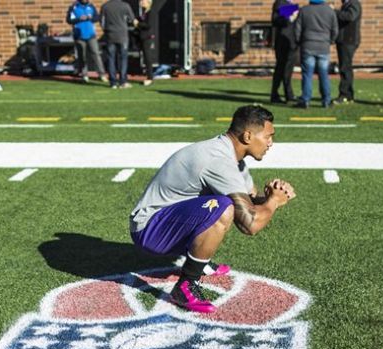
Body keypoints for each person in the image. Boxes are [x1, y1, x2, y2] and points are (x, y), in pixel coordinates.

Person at [128, 105, 297, 313]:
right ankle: (186, 284)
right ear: (247, 136)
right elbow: (250, 224)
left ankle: (200, 261)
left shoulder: (233, 157)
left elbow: (249, 202)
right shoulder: (219, 160)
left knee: (224, 205)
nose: (271, 143)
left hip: (170, 218)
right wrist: (274, 202)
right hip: (148, 229)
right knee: (223, 207)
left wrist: (272, 196)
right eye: (268, 136)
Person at [295, 0, 338, 109]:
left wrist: (299, 42)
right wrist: (330, 41)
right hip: (324, 46)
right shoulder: (329, 10)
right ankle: (326, 101)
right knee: (324, 74)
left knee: (307, 75)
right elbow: (335, 30)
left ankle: (305, 100)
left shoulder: (304, 10)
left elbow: (297, 29)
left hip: (308, 45)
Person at [67, 0, 107, 83]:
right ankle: (84, 75)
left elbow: (97, 17)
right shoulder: (74, 7)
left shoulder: (91, 6)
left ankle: (102, 74)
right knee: (82, 56)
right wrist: (79, 19)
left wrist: (90, 17)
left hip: (91, 35)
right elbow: (69, 20)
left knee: (96, 54)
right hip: (79, 35)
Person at [101, 0, 136, 88]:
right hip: (122, 34)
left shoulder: (105, 6)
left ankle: (113, 82)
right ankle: (122, 81)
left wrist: (106, 30)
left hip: (110, 34)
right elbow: (132, 19)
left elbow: (102, 22)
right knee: (123, 58)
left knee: (111, 58)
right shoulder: (125, 5)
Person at [270, 0, 299, 104]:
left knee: (285, 69)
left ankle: (285, 94)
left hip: (291, 41)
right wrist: (291, 17)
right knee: (283, 69)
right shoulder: (281, 3)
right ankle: (283, 94)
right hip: (284, 42)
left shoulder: (289, 5)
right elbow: (276, 20)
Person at [334, 0, 360, 103]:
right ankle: (348, 94)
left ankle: (344, 94)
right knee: (345, 67)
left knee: (345, 67)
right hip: (345, 40)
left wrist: (335, 12)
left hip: (348, 40)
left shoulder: (354, 4)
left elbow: (350, 16)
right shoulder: (348, 4)